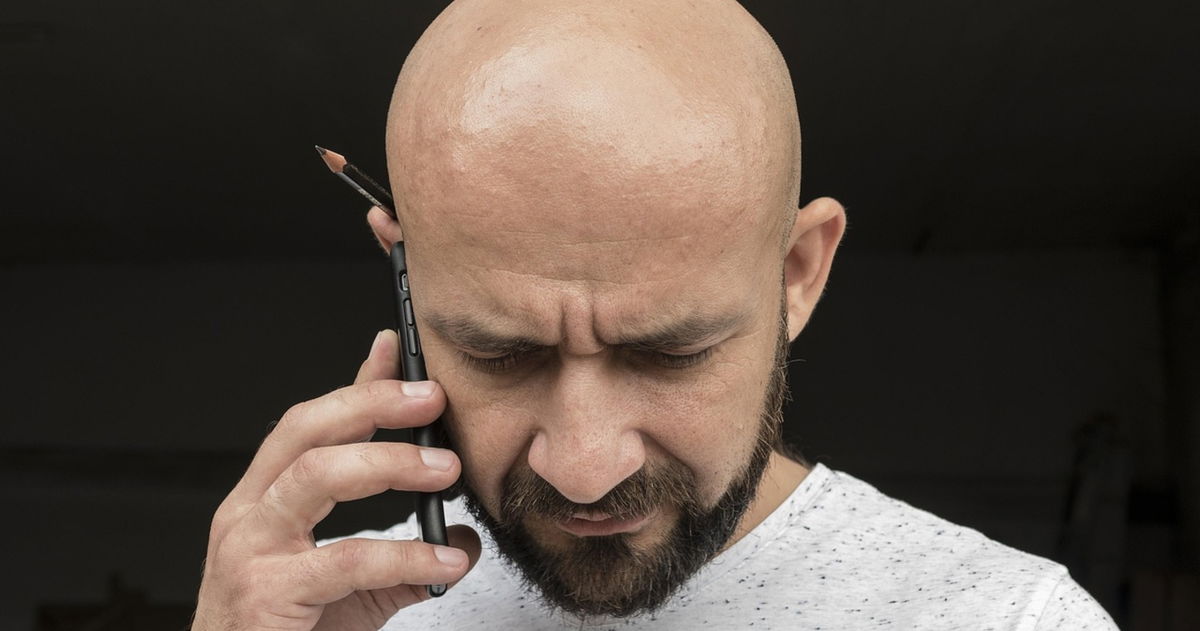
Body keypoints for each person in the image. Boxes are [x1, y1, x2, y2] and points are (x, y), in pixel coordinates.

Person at [193, 0, 1118, 629]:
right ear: (407, 282)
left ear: (798, 273)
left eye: (670, 352)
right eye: (498, 353)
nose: (587, 470)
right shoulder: (320, 615)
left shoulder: (1008, 620)